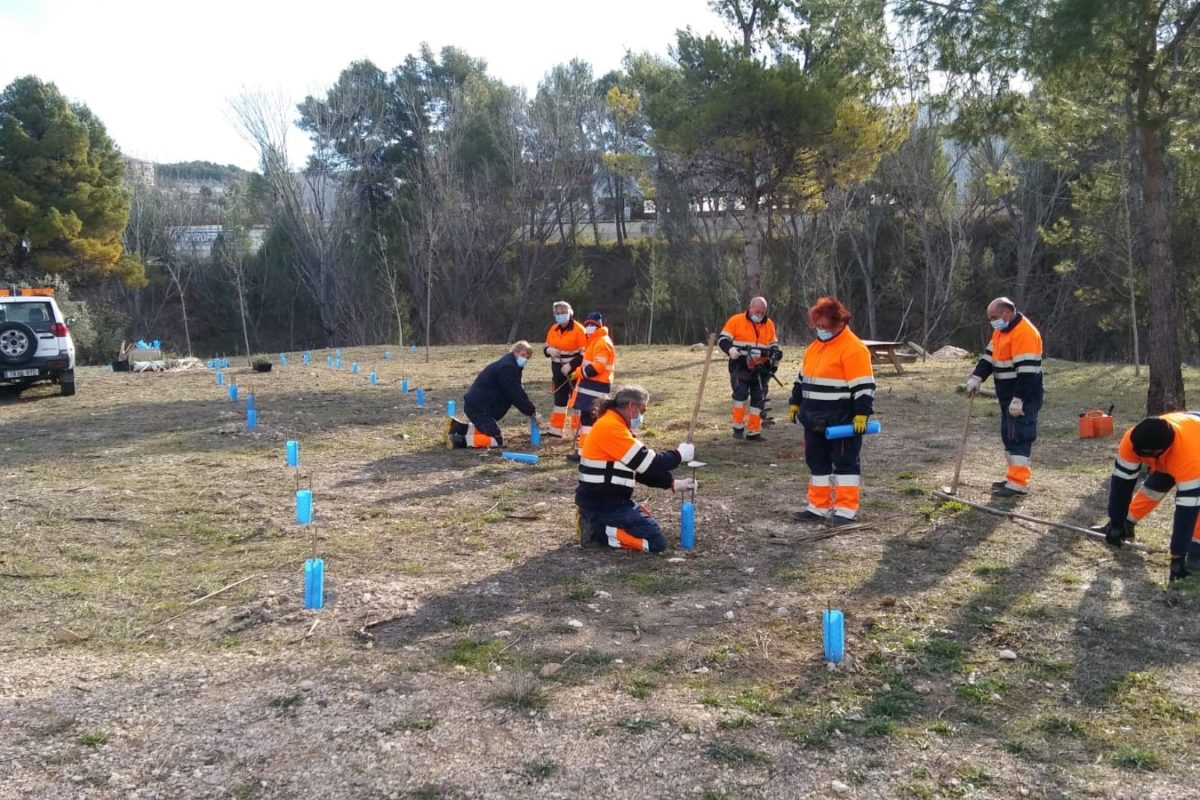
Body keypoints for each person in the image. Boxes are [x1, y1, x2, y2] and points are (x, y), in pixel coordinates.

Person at [575, 384, 697, 552]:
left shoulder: (614, 424)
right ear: (632, 406)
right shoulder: (611, 428)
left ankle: (597, 524)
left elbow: (638, 468)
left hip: (609, 501)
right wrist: (679, 455)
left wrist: (672, 483)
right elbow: (648, 462)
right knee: (655, 542)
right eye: (643, 411)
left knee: (647, 524)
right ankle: (597, 531)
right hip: (603, 504)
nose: (642, 417)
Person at [788, 296, 875, 525]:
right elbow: (802, 378)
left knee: (845, 462)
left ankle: (846, 511)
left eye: (824, 326)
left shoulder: (854, 349)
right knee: (816, 462)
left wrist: (862, 414)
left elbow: (864, 386)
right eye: (817, 325)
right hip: (813, 418)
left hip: (842, 420)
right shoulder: (815, 347)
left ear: (839, 323)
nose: (820, 330)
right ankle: (818, 507)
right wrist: (795, 402)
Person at [1098, 413, 1200, 582]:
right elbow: (1121, 485)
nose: (1143, 459)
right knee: (1155, 485)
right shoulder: (1131, 439)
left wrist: (1177, 556)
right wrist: (1116, 523)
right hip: (1188, 433)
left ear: (1161, 451)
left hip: (1193, 448)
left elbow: (1187, 511)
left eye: (1147, 456)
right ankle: (1127, 523)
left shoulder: (1189, 459)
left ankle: (1197, 548)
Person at [965, 297, 1044, 497]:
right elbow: (989, 358)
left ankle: (1019, 482)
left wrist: (1019, 399)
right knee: (1009, 435)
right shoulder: (1001, 331)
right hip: (1007, 395)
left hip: (1023, 397)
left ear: (1007, 313)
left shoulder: (1025, 333)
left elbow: (1027, 372)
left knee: (1020, 436)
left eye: (994, 317)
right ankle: (1013, 477)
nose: (992, 321)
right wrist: (977, 376)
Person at [445, 341, 543, 449]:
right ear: (515, 352)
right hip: (480, 409)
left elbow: (516, 389)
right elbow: (516, 394)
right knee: (497, 439)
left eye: (527, 357)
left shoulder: (507, 364)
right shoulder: (508, 368)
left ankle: (456, 427)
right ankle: (458, 441)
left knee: (486, 429)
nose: (525, 359)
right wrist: (532, 411)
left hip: (476, 405)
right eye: (523, 355)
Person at [718, 296, 782, 442]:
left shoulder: (769, 324)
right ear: (750, 307)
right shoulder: (736, 320)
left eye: (762, 312)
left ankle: (754, 431)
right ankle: (738, 427)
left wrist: (774, 353)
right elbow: (722, 340)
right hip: (740, 365)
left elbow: (773, 344)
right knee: (740, 394)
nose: (759, 314)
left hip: (761, 367)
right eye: (757, 311)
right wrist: (731, 350)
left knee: (759, 398)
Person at [567, 312, 616, 461]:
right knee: (587, 421)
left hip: (595, 387)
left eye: (592, 325)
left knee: (590, 421)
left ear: (598, 326)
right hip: (591, 387)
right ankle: (584, 452)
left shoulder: (601, 342)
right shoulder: (594, 341)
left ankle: (588, 453)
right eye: (587, 325)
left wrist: (579, 373)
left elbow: (596, 367)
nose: (589, 327)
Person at [542, 300, 587, 438]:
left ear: (570, 313)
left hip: (574, 371)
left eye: (563, 312)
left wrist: (570, 365)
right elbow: (545, 346)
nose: (560, 315)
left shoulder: (579, 330)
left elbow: (585, 353)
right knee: (559, 400)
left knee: (576, 400)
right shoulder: (553, 329)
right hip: (557, 369)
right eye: (557, 313)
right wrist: (549, 350)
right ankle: (555, 430)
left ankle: (577, 432)